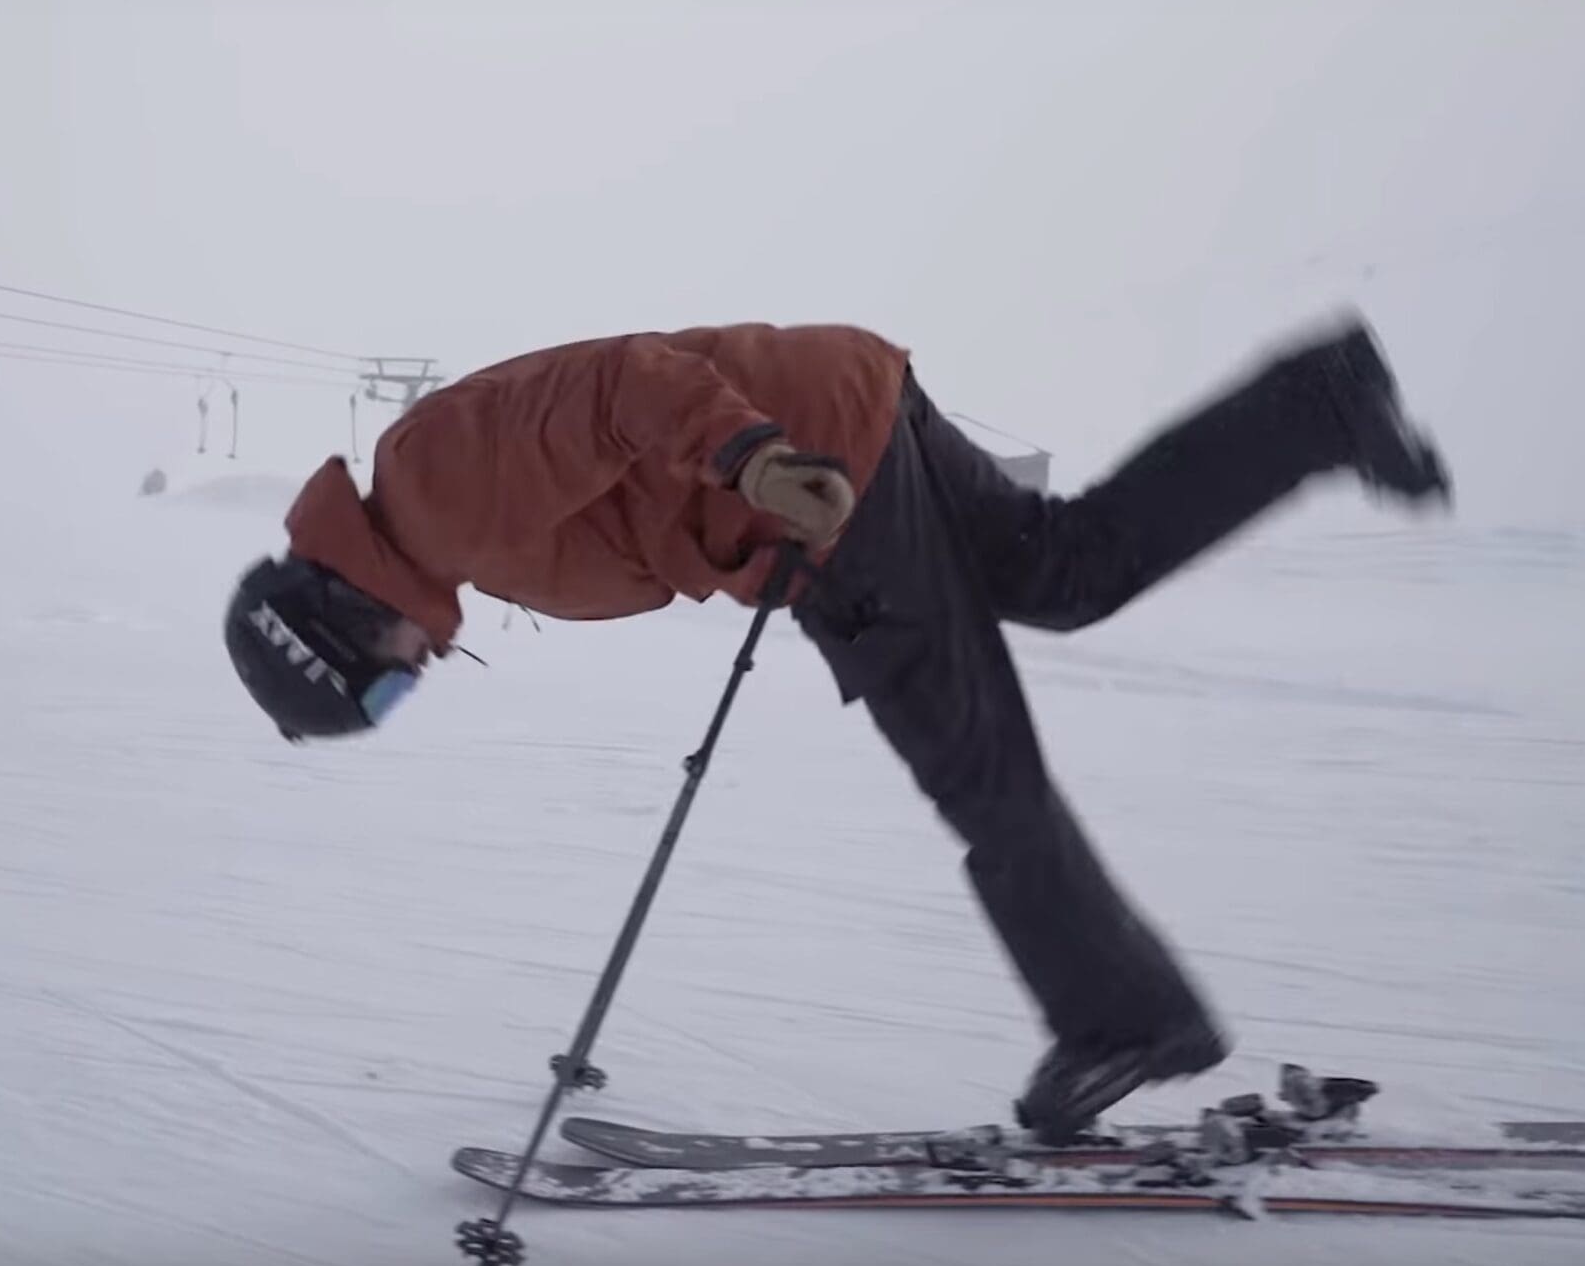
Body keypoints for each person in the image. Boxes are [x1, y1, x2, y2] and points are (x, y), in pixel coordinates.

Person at [222, 314, 1450, 1142]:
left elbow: (620, 386)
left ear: (338, 622)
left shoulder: (433, 488)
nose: (417, 677)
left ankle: (1125, 1017)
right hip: (834, 414)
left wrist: (752, 465)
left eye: (383, 688)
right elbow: (627, 487)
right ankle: (1317, 404)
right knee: (1064, 566)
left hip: (809, 475)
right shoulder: (436, 518)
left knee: (976, 765)